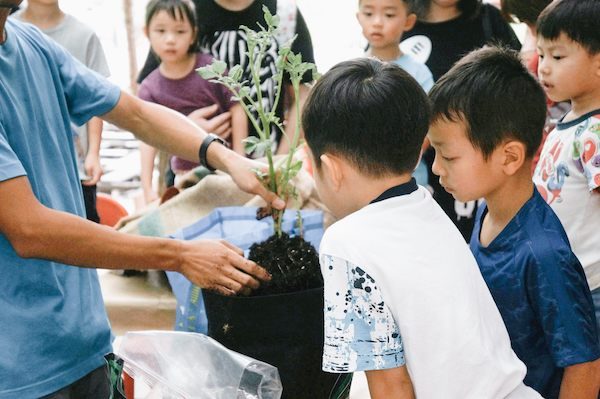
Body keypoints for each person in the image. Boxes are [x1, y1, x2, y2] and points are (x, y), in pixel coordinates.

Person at [0, 1, 285, 396]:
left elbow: (134, 113)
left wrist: (227, 158)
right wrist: (179, 255)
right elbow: (29, 229)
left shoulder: (29, 42)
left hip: (85, 344)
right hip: (19, 368)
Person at [302, 58, 540, 398]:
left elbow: (391, 386)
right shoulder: (426, 205)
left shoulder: (345, 243)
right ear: (417, 155)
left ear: (330, 169)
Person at [428, 46, 600, 398]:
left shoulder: (543, 254)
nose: (436, 168)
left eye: (448, 156)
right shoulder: (485, 210)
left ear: (509, 157)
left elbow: (585, 366)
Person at [402, 0, 521, 241]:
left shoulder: (488, 20)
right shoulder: (400, 21)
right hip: (425, 173)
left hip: (484, 167)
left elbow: (521, 87)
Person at [138, 0, 315, 156]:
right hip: (194, 169)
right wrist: (183, 131)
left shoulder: (284, 13)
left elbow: (303, 95)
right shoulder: (182, 11)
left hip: (268, 165)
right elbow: (146, 106)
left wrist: (281, 161)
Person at [533, 0, 600, 342]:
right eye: (542, 55)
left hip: (592, 290)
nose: (544, 68)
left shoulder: (595, 132)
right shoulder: (565, 123)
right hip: (565, 286)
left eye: (557, 57)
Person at [138, 0, 248, 204]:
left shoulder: (211, 69)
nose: (170, 39)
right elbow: (146, 137)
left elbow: (237, 106)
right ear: (147, 33)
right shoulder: (149, 88)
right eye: (161, 31)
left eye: (180, 31)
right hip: (183, 176)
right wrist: (146, 186)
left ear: (193, 34)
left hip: (224, 170)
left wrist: (240, 159)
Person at [12, 0, 110, 223]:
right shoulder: (8, 30)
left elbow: (99, 101)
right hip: (24, 169)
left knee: (86, 230)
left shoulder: (84, 34)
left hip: (76, 167)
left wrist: (94, 152)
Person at [357, 0, 433, 186]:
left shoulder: (418, 73)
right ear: (358, 17)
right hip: (362, 178)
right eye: (368, 14)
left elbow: (429, 129)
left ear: (408, 21)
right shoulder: (352, 71)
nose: (377, 22)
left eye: (389, 15)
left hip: (408, 178)